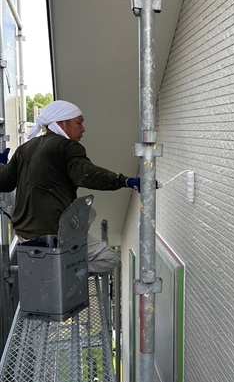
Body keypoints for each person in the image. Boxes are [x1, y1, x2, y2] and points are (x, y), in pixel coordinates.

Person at [0, 100, 141, 272]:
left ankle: (56, 268)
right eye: (79, 123)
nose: (83, 129)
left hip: (25, 235)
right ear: (61, 123)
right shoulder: (67, 147)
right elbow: (86, 173)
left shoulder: (24, 148)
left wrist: (1, 165)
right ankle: (63, 271)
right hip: (54, 234)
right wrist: (124, 181)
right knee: (108, 258)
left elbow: (4, 182)